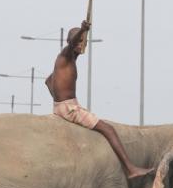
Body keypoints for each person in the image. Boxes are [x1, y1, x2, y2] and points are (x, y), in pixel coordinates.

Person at [45, 20, 152, 179]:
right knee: (108, 130)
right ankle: (130, 169)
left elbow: (48, 81)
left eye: (84, 41)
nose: (81, 44)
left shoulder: (70, 60)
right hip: (70, 108)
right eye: (79, 41)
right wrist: (82, 30)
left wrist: (57, 101)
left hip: (64, 106)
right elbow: (72, 44)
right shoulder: (65, 56)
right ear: (69, 42)